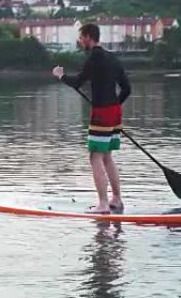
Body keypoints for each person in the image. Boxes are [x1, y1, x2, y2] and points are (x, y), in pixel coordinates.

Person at [52, 24, 131, 213]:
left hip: (102, 113)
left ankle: (103, 204)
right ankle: (117, 200)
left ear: (88, 37)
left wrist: (61, 76)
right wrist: (114, 105)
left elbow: (77, 82)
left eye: (81, 38)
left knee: (95, 156)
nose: (80, 41)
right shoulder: (113, 58)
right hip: (114, 112)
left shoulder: (94, 58)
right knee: (107, 157)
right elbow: (127, 89)